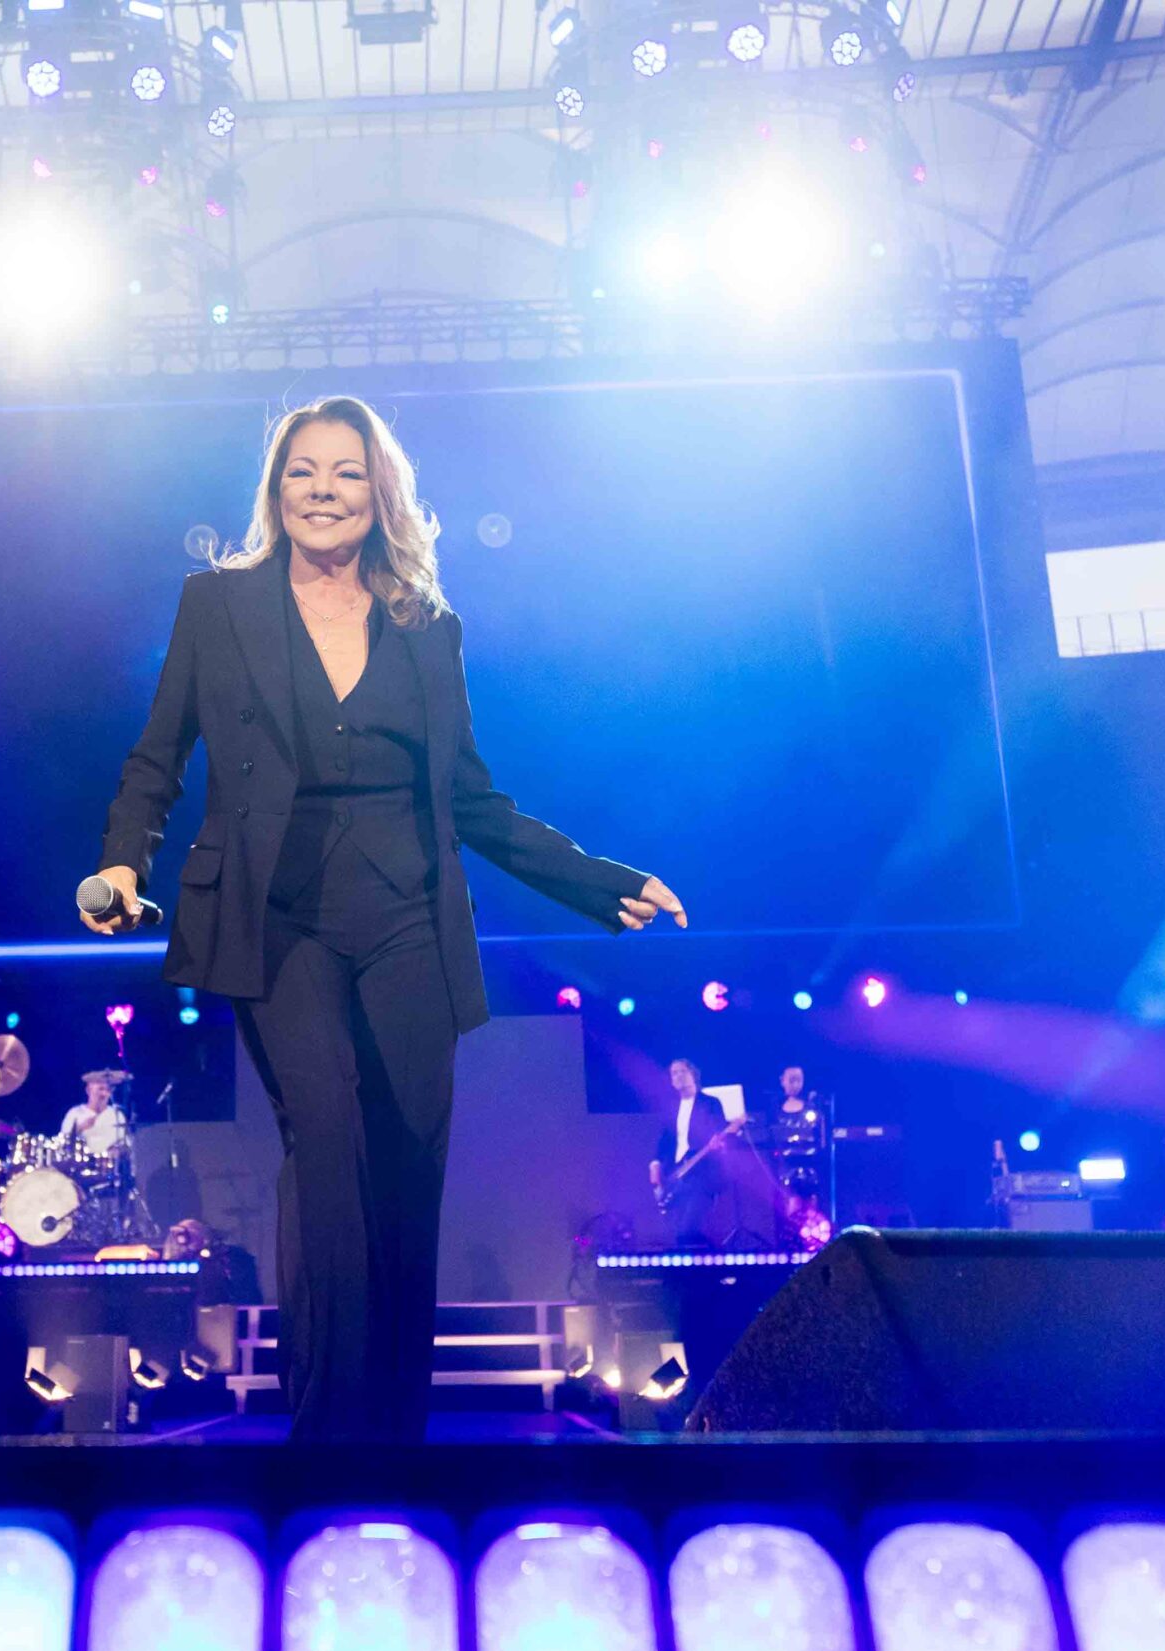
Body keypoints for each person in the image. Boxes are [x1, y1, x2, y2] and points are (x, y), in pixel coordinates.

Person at [83, 394, 686, 1441]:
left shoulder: (425, 627)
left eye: (346, 472)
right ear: (276, 489)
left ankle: (396, 1435)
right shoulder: (217, 605)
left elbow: (471, 801)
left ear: (380, 494)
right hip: (278, 921)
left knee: (406, 1170)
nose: (322, 491)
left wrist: (595, 880)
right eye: (302, 471)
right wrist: (121, 861)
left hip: (408, 919)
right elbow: (157, 756)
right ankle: (326, 1432)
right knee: (325, 1141)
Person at [651, 1058, 743, 1243]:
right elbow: (665, 1141)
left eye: (682, 1071)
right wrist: (655, 1165)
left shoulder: (710, 1103)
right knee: (679, 1233)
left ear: (693, 1074)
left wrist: (718, 1142)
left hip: (702, 1174)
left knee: (688, 1229)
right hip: (676, 1174)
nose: (678, 1076)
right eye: (674, 1073)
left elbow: (720, 1131)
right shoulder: (671, 1108)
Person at [54, 1070, 131, 1159]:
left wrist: (119, 1150)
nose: (104, 1094)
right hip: (81, 1162)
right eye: (100, 1089)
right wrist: (80, 1127)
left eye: (108, 1090)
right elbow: (63, 1142)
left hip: (109, 1163)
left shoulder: (117, 1115)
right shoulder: (75, 1113)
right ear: (88, 1090)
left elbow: (125, 1144)